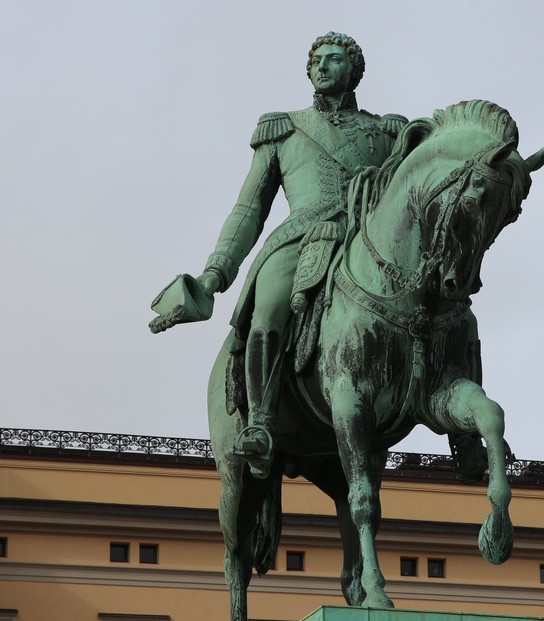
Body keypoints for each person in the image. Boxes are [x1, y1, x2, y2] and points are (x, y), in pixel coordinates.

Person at [151, 32, 407, 477]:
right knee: (268, 307)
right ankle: (262, 424)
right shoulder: (284, 128)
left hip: (367, 241)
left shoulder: (388, 132)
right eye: (316, 62)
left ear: (354, 70)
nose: (323, 67)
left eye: (334, 59)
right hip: (302, 238)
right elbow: (249, 209)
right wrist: (215, 274)